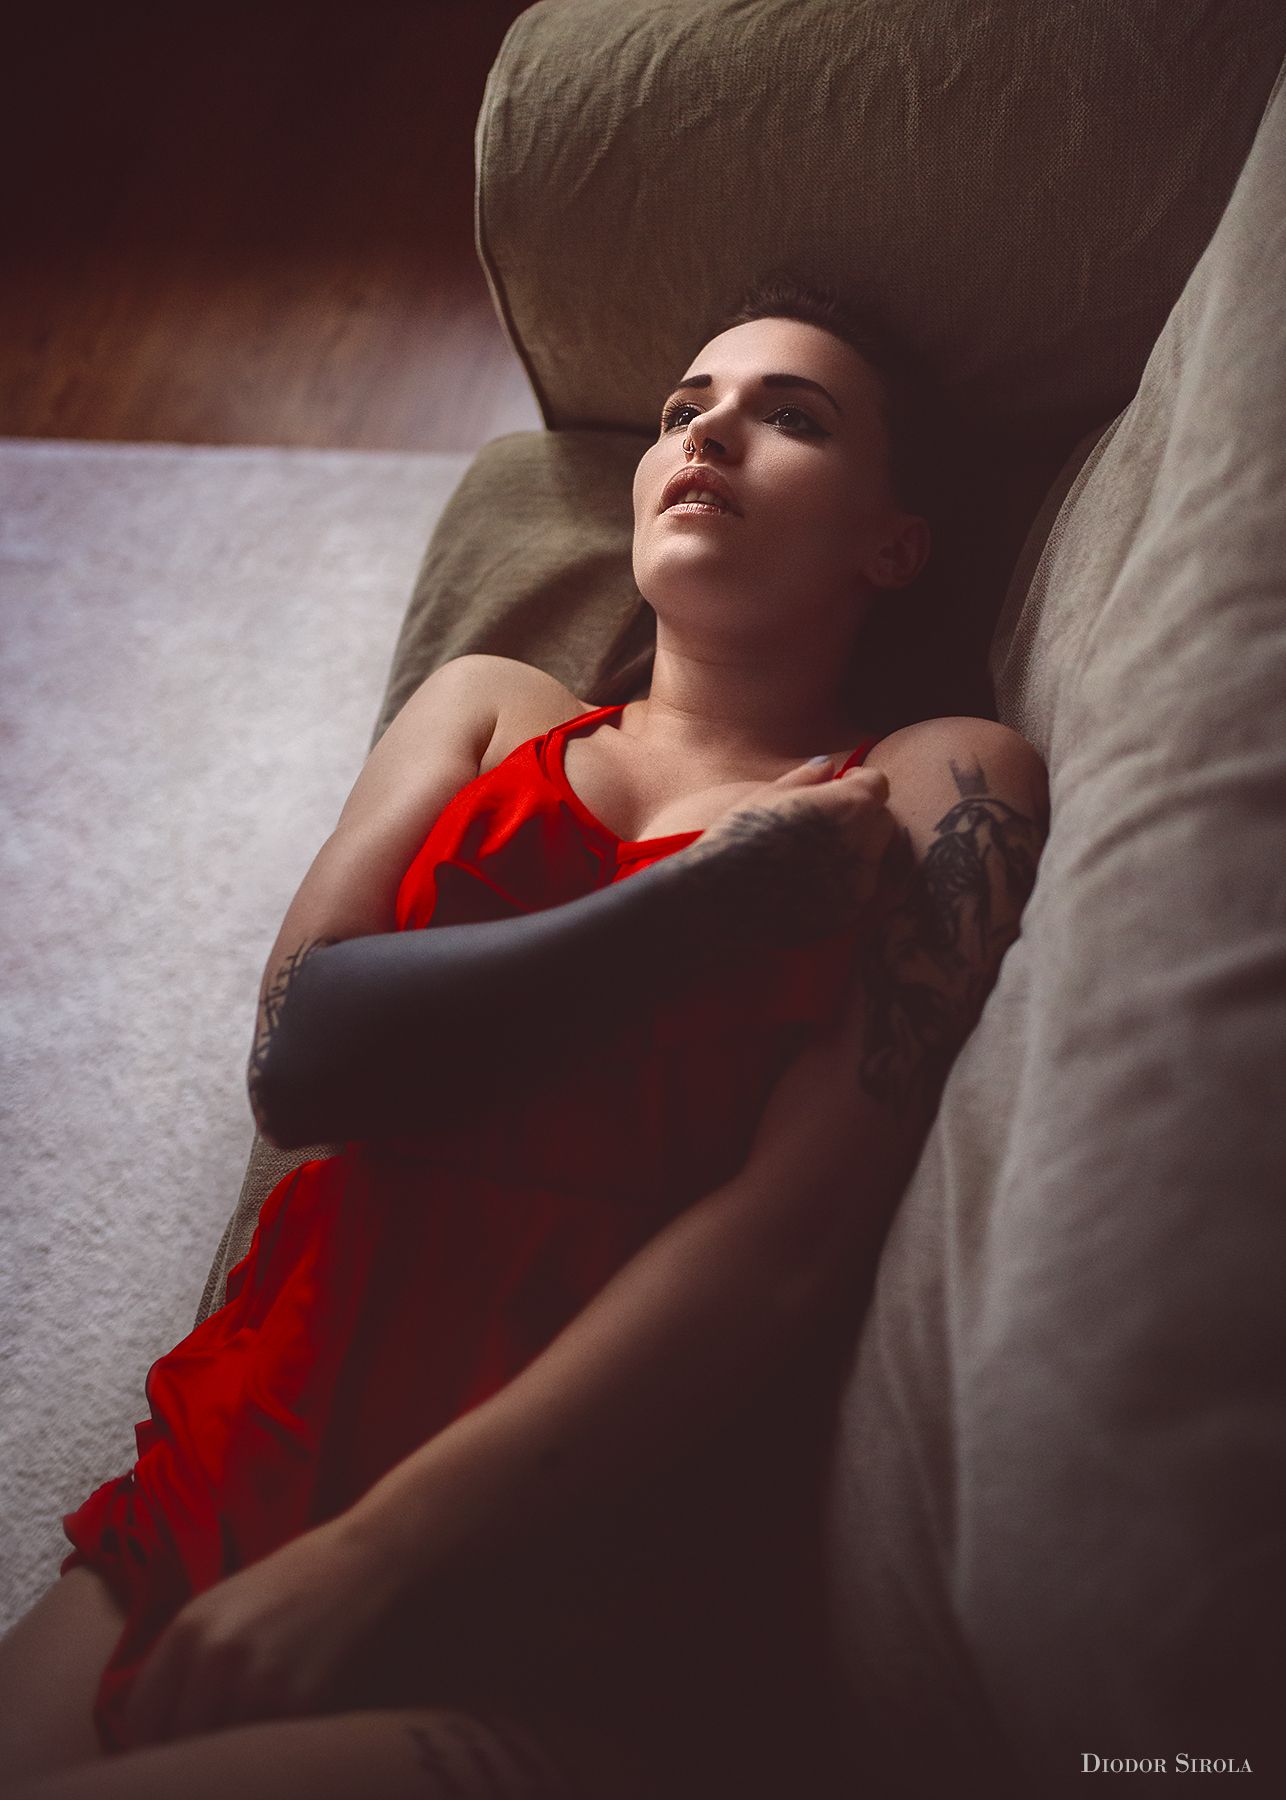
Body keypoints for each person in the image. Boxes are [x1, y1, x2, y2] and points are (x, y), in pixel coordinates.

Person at [0, 277, 1049, 1800]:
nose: (707, 435)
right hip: (276, 1406)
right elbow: (303, 1065)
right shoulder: (489, 707)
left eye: (792, 418)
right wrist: (698, 905)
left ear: (895, 543)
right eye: (685, 407)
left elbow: (788, 1242)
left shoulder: (936, 779)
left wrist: (372, 1556)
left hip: (584, 1534)